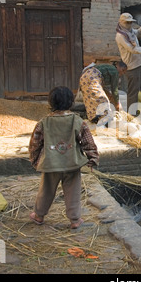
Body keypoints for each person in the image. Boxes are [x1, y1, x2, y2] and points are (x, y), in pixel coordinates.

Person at [28, 86, 99, 229]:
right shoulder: (77, 121)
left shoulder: (43, 123)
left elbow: (35, 144)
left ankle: (39, 215)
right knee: (73, 192)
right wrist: (92, 159)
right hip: (72, 163)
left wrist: (35, 160)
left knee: (46, 190)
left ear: (50, 103)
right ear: (71, 103)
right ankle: (75, 220)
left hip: (51, 164)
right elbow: (88, 142)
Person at [115, 12, 141, 117]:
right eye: (127, 23)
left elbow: (137, 32)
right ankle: (131, 114)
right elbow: (132, 49)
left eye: (130, 22)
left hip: (140, 63)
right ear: (121, 23)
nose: (129, 25)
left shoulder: (129, 31)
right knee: (133, 91)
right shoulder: (121, 36)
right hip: (131, 66)